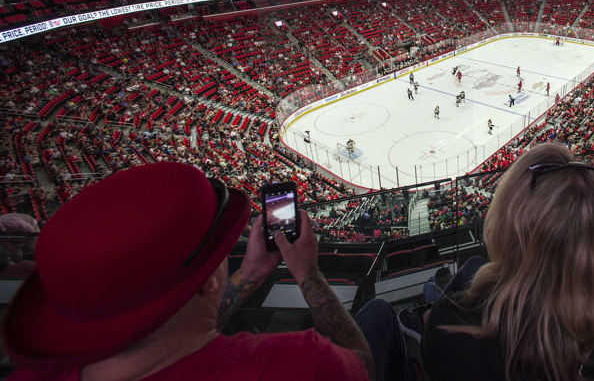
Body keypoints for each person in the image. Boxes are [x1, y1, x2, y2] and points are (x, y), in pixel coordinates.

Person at [1, 163, 417, 381]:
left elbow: (165, 330)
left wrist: (252, 271)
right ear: (212, 281)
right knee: (380, 313)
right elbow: (362, 367)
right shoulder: (293, 363)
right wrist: (307, 272)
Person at [416, 143, 594, 381]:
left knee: (462, 275)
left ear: (508, 224)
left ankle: (422, 315)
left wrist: (432, 321)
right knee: (474, 265)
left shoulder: (452, 326)